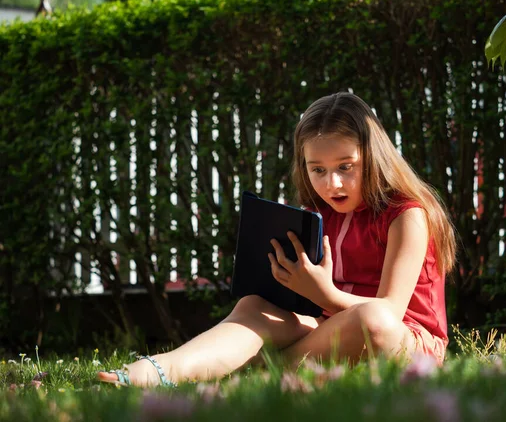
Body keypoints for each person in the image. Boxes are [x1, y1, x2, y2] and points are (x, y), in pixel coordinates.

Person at [98, 92, 457, 387]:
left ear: (373, 156)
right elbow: (308, 302)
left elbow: (390, 312)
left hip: (406, 341)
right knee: (254, 306)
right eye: (318, 170)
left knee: (373, 319)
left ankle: (257, 375)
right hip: (328, 324)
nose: (332, 183)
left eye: (346, 167)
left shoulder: (407, 214)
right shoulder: (317, 213)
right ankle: (154, 371)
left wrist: (324, 293)